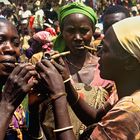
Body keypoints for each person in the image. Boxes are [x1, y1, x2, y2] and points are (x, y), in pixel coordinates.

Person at [36, 16, 140, 139]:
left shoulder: (129, 110)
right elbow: (95, 117)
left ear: (129, 63)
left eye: (106, 50)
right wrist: (66, 81)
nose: (99, 54)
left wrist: (59, 95)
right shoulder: (124, 93)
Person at [39, 2, 115, 139]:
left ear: (93, 31)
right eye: (71, 31)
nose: (78, 38)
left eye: (84, 31)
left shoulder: (105, 68)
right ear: (61, 32)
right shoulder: (52, 68)